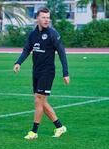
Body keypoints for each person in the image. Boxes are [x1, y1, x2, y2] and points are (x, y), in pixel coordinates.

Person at [13, 7, 70, 140]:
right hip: (36, 72)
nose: (46, 20)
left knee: (38, 100)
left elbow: (62, 53)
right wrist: (18, 62)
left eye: (48, 17)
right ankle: (59, 126)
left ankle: (34, 132)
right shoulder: (33, 35)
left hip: (47, 71)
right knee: (42, 102)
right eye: (43, 17)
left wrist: (65, 72)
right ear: (37, 18)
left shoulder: (52, 34)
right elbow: (27, 50)